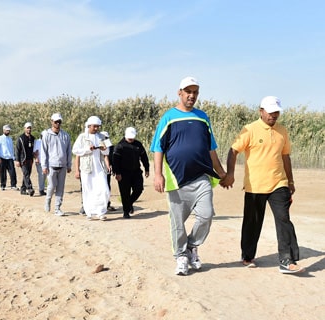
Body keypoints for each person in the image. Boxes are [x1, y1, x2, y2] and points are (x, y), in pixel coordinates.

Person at [150, 76, 226, 276]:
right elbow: (158, 147)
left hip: (201, 177)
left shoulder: (203, 117)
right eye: (188, 92)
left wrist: (221, 172)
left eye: (195, 92)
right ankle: (181, 256)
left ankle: (192, 246)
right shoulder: (169, 117)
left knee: (206, 215)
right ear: (180, 93)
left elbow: (211, 148)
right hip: (176, 179)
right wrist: (158, 174)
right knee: (177, 222)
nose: (192, 95)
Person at [224, 96, 305, 274]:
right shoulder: (250, 129)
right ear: (261, 111)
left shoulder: (282, 131)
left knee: (283, 218)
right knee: (252, 222)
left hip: (279, 182)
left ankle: (287, 260)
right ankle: (247, 256)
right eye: (270, 111)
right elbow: (233, 150)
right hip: (255, 185)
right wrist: (230, 173)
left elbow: (285, 156)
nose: (273, 115)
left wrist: (290, 181)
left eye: (276, 112)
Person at [72, 116, 110, 220]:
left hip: (100, 167)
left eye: (98, 126)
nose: (96, 128)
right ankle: (89, 212)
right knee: (88, 189)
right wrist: (88, 149)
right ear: (89, 126)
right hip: (87, 167)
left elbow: (107, 152)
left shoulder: (102, 137)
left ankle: (101, 212)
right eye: (94, 126)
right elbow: (75, 151)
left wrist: (104, 149)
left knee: (104, 189)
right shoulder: (82, 137)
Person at [113, 127, 150, 219]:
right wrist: (117, 173)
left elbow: (144, 157)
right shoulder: (120, 146)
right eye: (129, 137)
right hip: (123, 173)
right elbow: (115, 161)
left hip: (136, 172)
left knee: (139, 189)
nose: (131, 139)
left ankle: (129, 203)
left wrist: (147, 168)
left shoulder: (138, 144)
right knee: (125, 192)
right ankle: (126, 212)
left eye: (132, 137)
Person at [41, 113, 72, 216]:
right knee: (52, 185)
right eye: (56, 121)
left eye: (59, 121)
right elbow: (44, 151)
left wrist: (68, 164)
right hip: (51, 165)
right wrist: (44, 166)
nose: (58, 123)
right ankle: (48, 200)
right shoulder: (47, 135)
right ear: (52, 122)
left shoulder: (65, 135)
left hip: (62, 165)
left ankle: (57, 208)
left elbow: (68, 151)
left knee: (60, 187)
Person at [0, 125, 18, 190]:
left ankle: (13, 185)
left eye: (9, 130)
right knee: (3, 172)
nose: (8, 131)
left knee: (12, 172)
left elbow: (12, 148)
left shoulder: (10, 139)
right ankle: (3, 185)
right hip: (2, 158)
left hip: (10, 158)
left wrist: (13, 157)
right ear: (3, 130)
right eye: (7, 130)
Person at [16, 122, 36, 196]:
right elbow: (17, 150)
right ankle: (30, 188)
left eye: (30, 128)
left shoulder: (33, 138)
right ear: (24, 129)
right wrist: (17, 160)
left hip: (30, 159)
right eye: (27, 128)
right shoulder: (21, 138)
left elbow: (35, 149)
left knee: (27, 175)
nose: (29, 129)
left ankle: (23, 189)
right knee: (26, 174)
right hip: (23, 159)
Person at [100, 131, 116, 211]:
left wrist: (113, 168)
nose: (105, 139)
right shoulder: (98, 145)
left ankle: (107, 204)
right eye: (104, 138)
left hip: (107, 170)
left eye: (106, 138)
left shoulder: (111, 146)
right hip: (99, 169)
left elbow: (112, 157)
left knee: (107, 186)